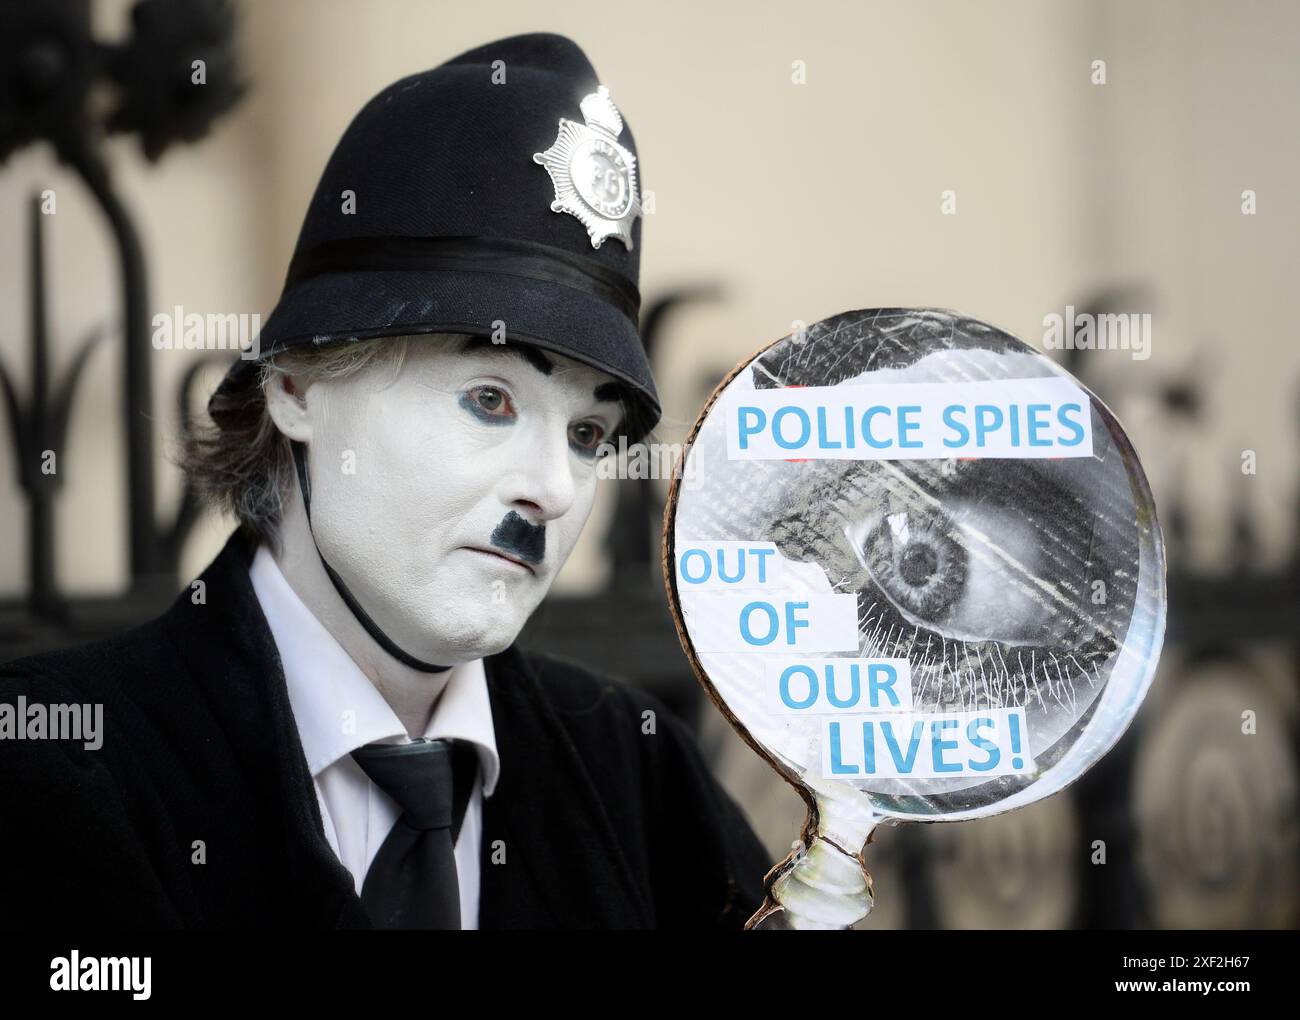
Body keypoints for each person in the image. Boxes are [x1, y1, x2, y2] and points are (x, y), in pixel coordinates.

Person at [0, 32, 771, 929]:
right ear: (296, 383)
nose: (553, 491)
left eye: (590, 434)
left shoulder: (641, 779)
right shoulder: (57, 765)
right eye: (489, 399)